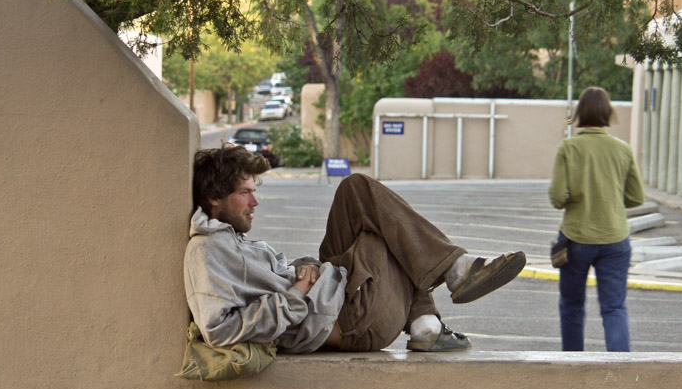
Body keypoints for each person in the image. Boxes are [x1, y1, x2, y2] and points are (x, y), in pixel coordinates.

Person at [184, 144, 526, 353]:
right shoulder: (208, 251)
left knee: (357, 193)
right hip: (350, 322)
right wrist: (298, 292)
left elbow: (274, 277)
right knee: (384, 227)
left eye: (253, 191)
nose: (255, 202)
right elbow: (220, 330)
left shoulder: (228, 237)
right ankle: (447, 285)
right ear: (214, 198)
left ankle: (427, 321)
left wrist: (305, 266)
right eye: (245, 193)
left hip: (339, 294)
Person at [548, 86, 645, 352]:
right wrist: (610, 201)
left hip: (576, 238)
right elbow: (637, 197)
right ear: (607, 112)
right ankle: (621, 367)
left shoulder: (568, 148)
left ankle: (573, 364)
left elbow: (557, 198)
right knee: (614, 308)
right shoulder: (622, 149)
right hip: (615, 238)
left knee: (572, 306)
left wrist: (578, 196)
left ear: (580, 112)